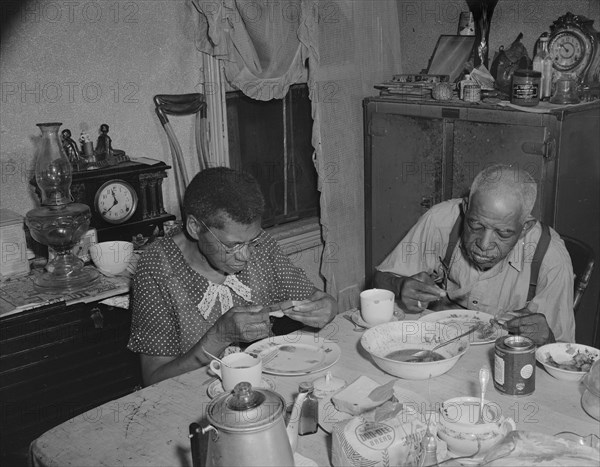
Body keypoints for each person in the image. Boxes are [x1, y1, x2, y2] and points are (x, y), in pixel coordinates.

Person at [128, 167, 338, 385]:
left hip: (258, 386)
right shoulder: (157, 268)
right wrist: (220, 335)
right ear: (194, 227)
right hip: (189, 398)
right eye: (232, 245)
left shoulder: (261, 245)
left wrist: (327, 306)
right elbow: (154, 380)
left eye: (251, 241)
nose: (245, 256)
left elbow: (317, 299)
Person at [374, 164, 575, 345]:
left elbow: (564, 353)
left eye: (503, 233)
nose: (484, 245)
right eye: (475, 225)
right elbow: (380, 280)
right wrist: (400, 286)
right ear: (465, 208)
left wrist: (547, 339)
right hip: (440, 342)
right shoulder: (441, 220)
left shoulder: (550, 257)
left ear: (525, 228)